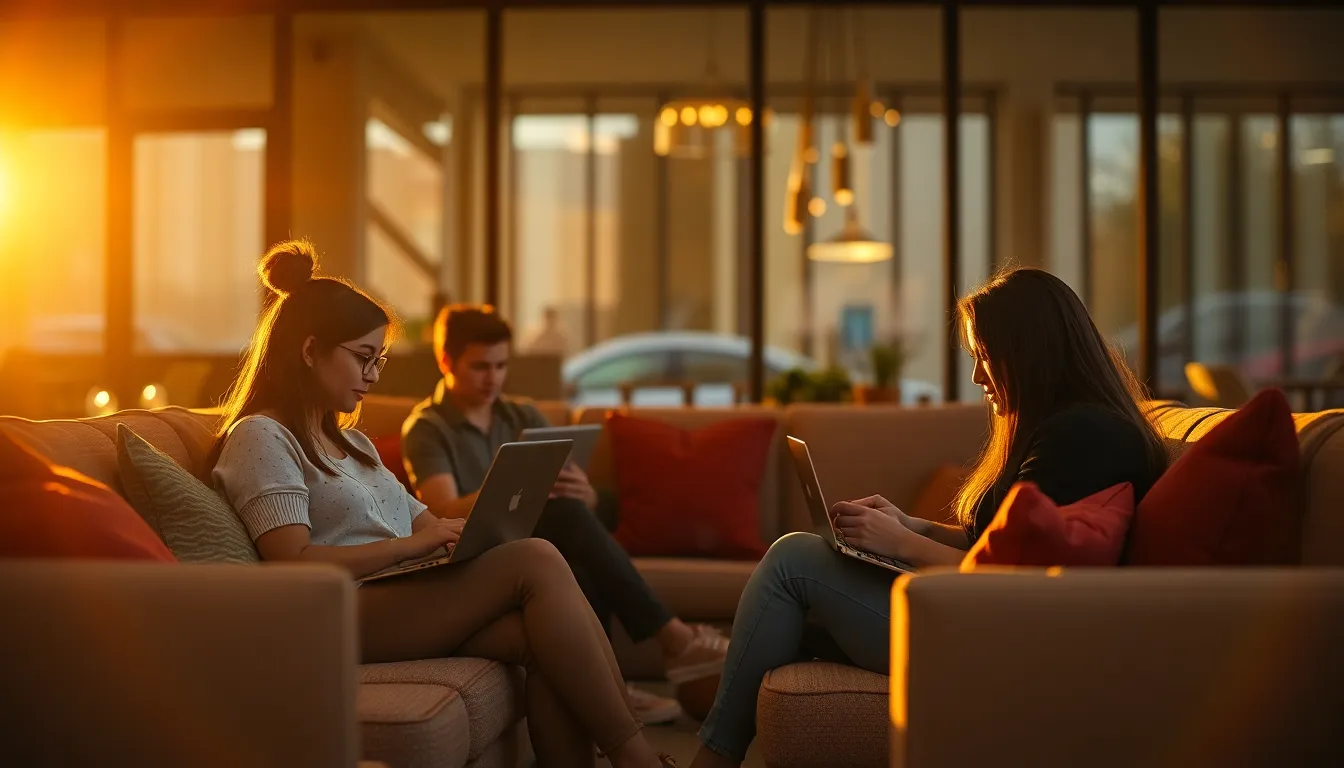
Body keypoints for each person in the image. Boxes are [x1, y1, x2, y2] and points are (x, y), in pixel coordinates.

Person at [208, 240, 678, 768]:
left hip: (399, 591)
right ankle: (636, 757)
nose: (374, 374)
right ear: (311, 349)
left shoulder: (352, 442)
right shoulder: (261, 436)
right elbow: (290, 563)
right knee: (537, 557)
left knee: (545, 639)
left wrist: (458, 536)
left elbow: (426, 520)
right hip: (337, 611)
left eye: (379, 359)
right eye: (363, 357)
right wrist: (415, 545)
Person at [687, 267, 1169, 768]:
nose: (979, 376)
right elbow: (998, 540)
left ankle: (710, 758)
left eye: (985, 357)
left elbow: (1016, 580)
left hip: (989, 636)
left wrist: (899, 543)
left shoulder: (1085, 437)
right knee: (796, 587)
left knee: (792, 561)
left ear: (1031, 352)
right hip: (976, 613)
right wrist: (913, 525)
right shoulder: (1069, 426)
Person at [401, 304, 730, 725]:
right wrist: (508, 489)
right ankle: (673, 638)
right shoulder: (427, 427)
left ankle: (609, 687)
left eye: (502, 365)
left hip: (540, 541)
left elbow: (578, 501)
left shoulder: (522, 414)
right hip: (474, 551)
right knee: (563, 519)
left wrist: (586, 495)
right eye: (481, 366)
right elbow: (442, 509)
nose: (494, 378)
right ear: (446, 360)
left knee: (575, 547)